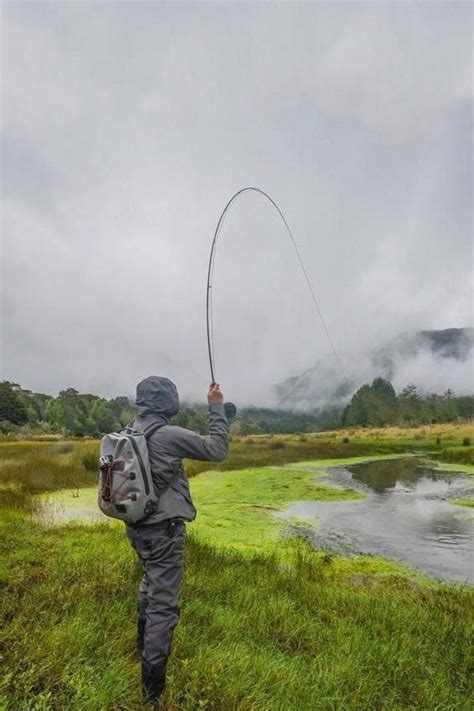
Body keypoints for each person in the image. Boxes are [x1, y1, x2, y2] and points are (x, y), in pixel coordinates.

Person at [126, 375, 229, 703]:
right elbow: (217, 449)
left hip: (136, 525)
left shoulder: (131, 430)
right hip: (164, 531)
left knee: (148, 584)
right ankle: (151, 691)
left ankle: (141, 647)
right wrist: (216, 408)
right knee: (164, 604)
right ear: (169, 401)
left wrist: (222, 417)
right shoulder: (169, 435)